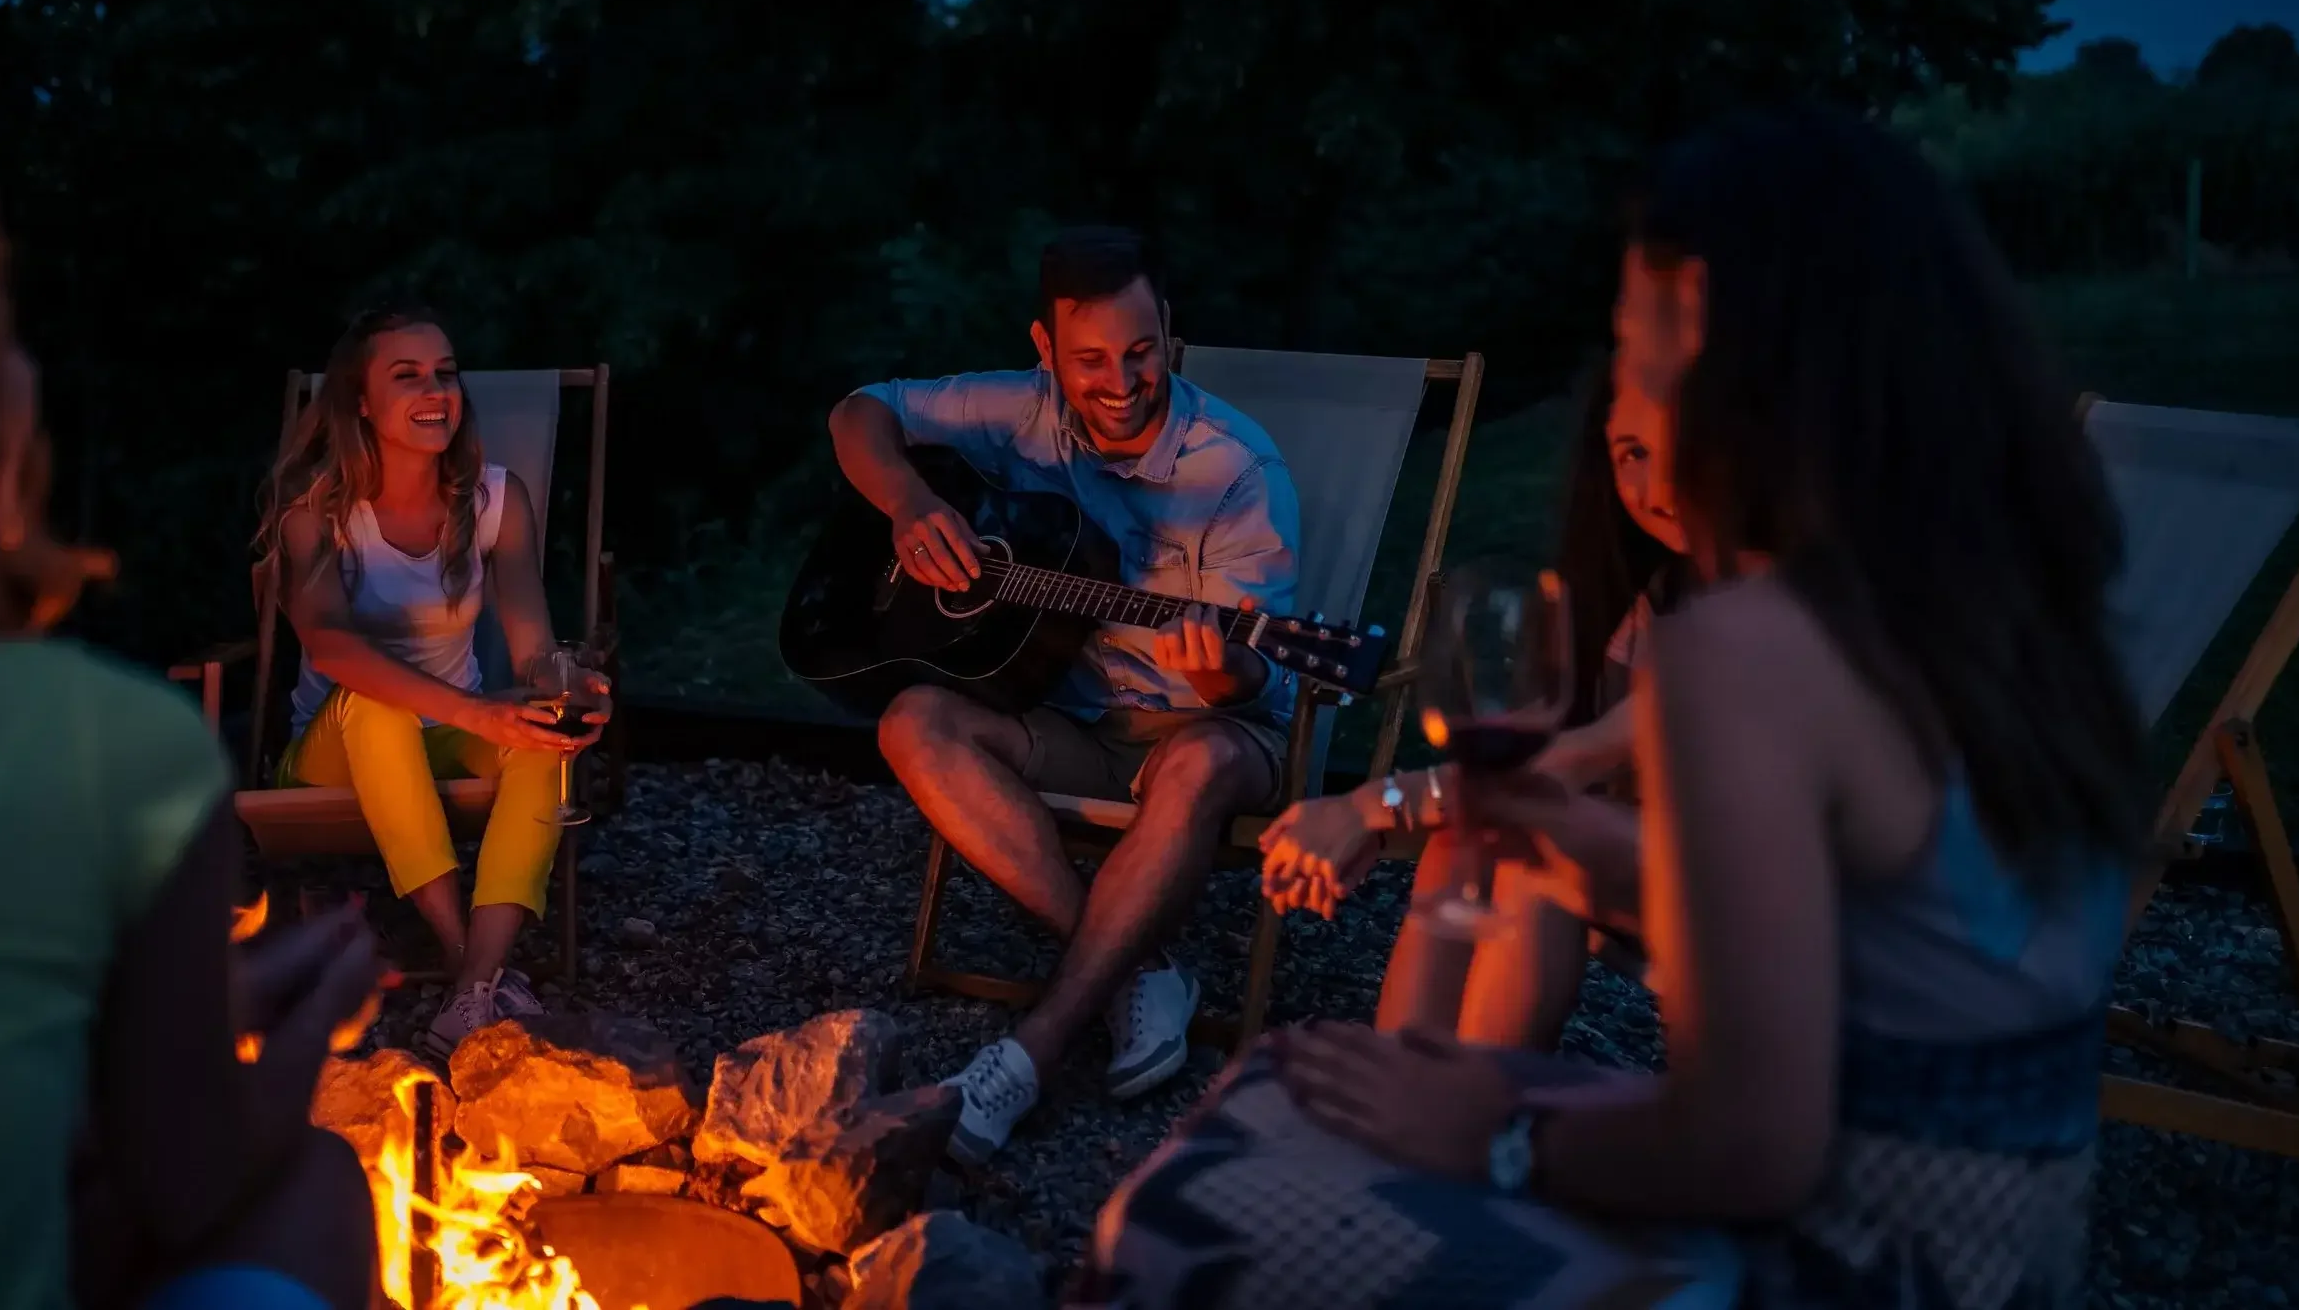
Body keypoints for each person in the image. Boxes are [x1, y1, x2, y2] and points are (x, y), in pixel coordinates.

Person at [1074, 104, 2149, 1309]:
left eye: (1635, 342)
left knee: (1181, 1215)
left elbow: (1753, 1149)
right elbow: (1867, 942)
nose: (1620, 388)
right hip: (2009, 1243)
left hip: (1852, 1258)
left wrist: (1496, 1134)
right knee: (1360, 1071)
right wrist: (1523, 828)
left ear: (1730, 358)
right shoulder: (1997, 606)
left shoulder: (1753, 644)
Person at [0, 82, 379, 1310]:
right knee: (315, 1184)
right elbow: (189, 1178)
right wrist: (308, 1023)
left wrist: (218, 997)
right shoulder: (103, 749)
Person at [833, 225, 1301, 1164]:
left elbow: (1261, 676)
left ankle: (1031, 1050)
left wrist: (1220, 670)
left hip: (1212, 730)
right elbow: (858, 412)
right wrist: (911, 504)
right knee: (913, 721)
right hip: (1073, 716)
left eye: (1141, 352)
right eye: (1090, 359)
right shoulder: (1019, 409)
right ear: (1045, 348)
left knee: (1201, 755)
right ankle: (1137, 965)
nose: (1121, 382)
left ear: (1169, 331)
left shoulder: (1239, 468)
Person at [1259, 364, 1685, 1048]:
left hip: (1775, 891)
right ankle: (1405, 1079)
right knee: (1468, 838)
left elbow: (1578, 758)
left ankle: (1468, 1096)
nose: (1661, 484)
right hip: (1664, 855)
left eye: (1686, 446)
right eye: (1633, 453)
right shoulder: (1666, 591)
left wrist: (1369, 806)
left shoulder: (1766, 608)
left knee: (1533, 842)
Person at [257, 307, 610, 1058]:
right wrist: (477, 714)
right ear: (360, 402)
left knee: (542, 734)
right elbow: (333, 648)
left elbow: (534, 652)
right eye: (407, 375)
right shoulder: (314, 512)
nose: (436, 390)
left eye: (445, 373)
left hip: (450, 731)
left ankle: (469, 994)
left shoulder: (495, 500)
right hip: (333, 750)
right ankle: (466, 963)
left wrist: (569, 683)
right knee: (377, 704)